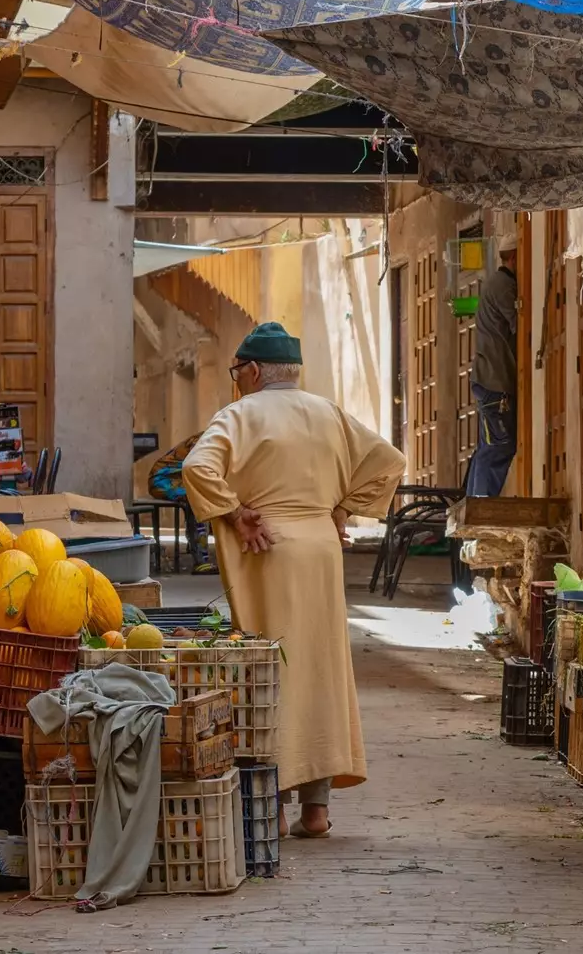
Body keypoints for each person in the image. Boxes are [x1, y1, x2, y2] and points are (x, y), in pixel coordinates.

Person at [181, 322, 406, 838]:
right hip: (320, 550)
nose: (237, 381)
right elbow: (388, 462)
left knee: (269, 674)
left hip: (269, 549)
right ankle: (317, 812)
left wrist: (237, 513)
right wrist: (342, 509)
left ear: (254, 371)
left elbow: (197, 467)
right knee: (320, 670)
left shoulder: (239, 414)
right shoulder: (328, 413)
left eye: (238, 371)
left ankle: (274, 810)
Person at [466, 232, 519, 497]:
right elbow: (520, 325)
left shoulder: (496, 283)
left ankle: (477, 506)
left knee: (490, 446)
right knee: (498, 446)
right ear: (514, 257)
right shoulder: (503, 285)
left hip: (491, 379)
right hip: (494, 381)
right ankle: (481, 508)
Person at [146, 435, 215, 574]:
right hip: (163, 480)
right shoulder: (207, 440)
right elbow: (200, 470)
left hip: (180, 479)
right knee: (198, 500)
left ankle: (196, 546)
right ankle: (201, 559)